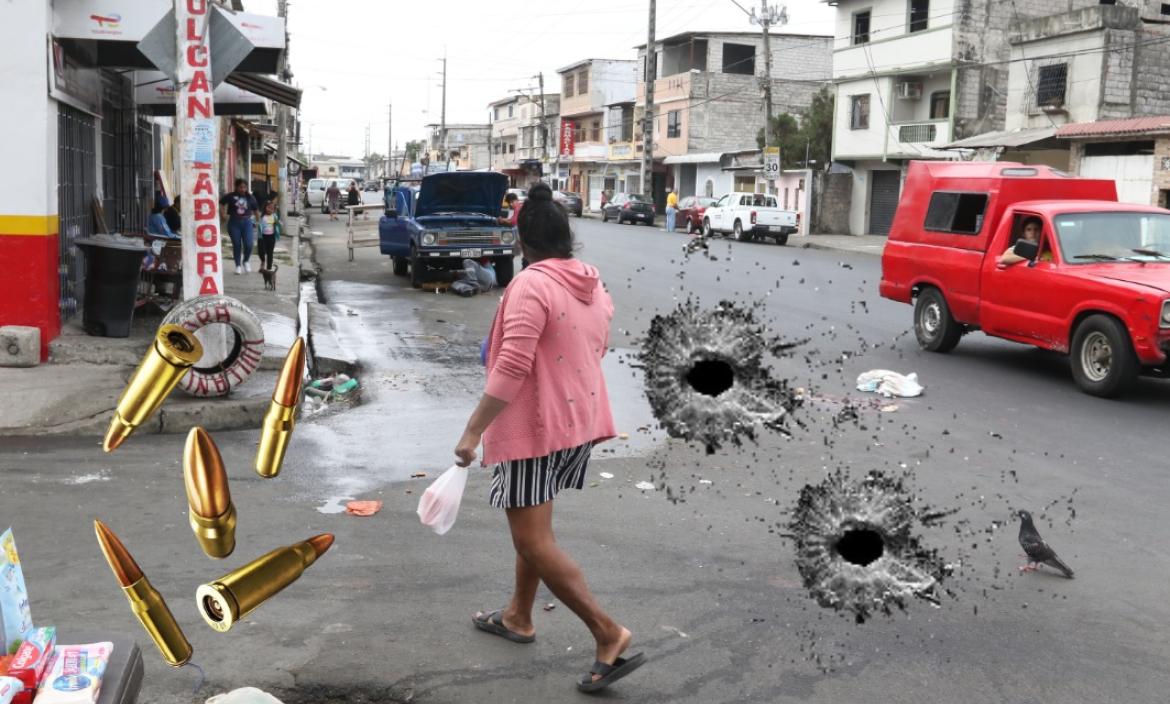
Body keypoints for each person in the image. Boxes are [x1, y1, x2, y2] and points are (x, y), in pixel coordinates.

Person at [454, 183, 645, 693]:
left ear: (521, 241)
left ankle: (608, 632)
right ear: (567, 238)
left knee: (531, 537)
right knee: (534, 523)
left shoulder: (531, 285)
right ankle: (519, 615)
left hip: (536, 426)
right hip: (576, 422)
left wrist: (474, 430)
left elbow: (513, 365)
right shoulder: (592, 283)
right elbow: (595, 343)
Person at [220, 179, 259, 274]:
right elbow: (221, 203)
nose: (243, 189)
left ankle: (246, 261)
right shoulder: (231, 196)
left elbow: (256, 210)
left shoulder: (250, 198)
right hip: (234, 223)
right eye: (240, 187)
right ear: (236, 187)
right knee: (237, 245)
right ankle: (237, 265)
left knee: (249, 244)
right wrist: (223, 214)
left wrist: (259, 222)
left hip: (247, 223)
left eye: (244, 187)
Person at [257, 199, 281, 271]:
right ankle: (263, 261)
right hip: (262, 237)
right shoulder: (262, 217)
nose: (270, 209)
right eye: (268, 207)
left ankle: (269, 268)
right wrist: (254, 224)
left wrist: (278, 224)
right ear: (265, 208)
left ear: (274, 210)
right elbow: (255, 221)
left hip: (271, 237)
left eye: (272, 208)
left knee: (270, 253)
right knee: (261, 251)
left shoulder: (275, 216)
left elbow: (278, 222)